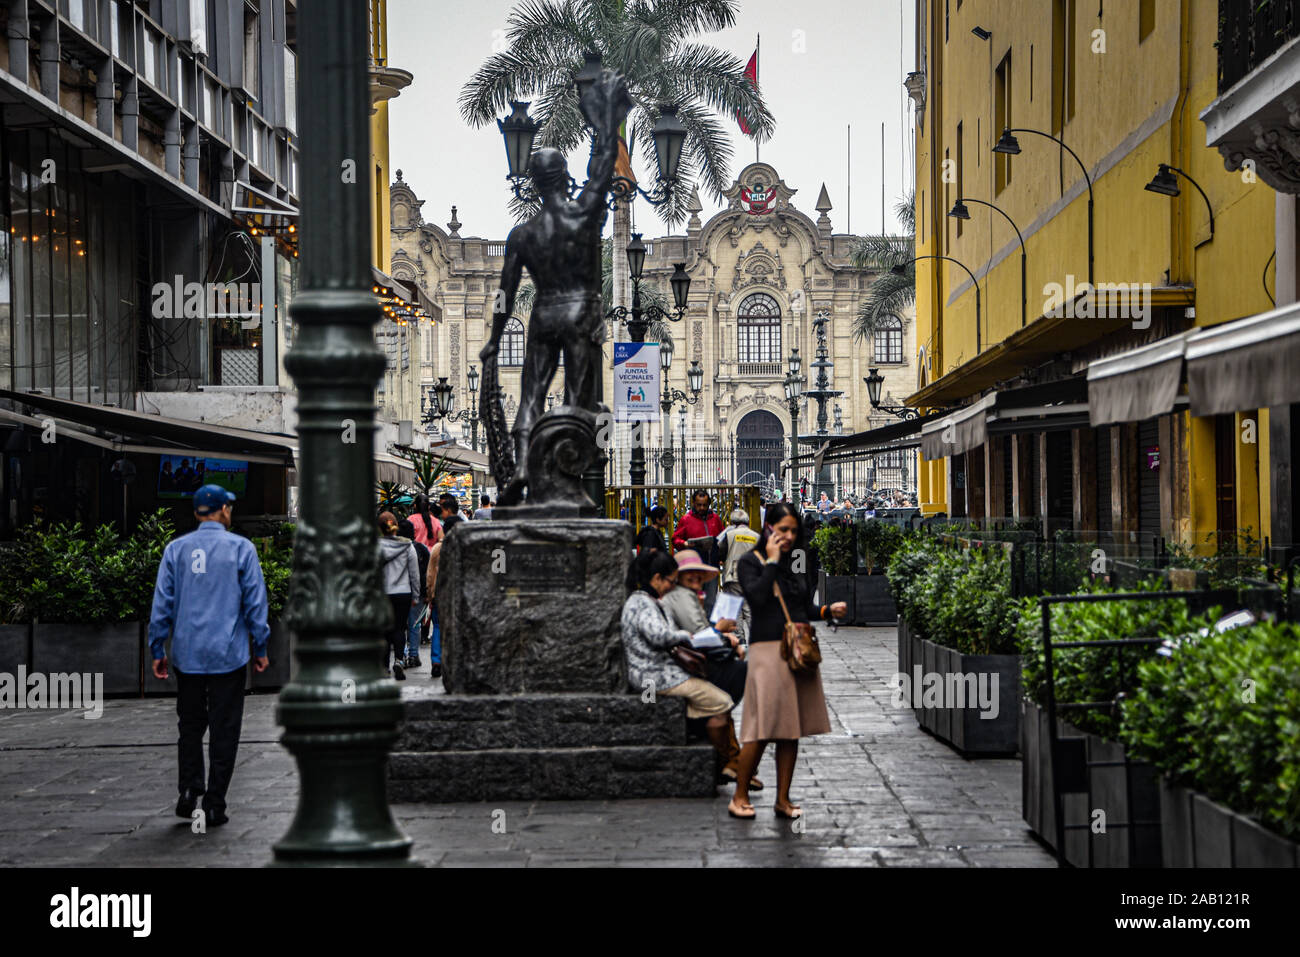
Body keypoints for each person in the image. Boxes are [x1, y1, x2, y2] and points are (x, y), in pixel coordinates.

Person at [148, 484, 269, 827]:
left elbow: (162, 604)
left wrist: (158, 646)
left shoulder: (176, 550)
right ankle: (215, 802)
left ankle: (189, 789)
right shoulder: (242, 549)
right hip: (227, 654)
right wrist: (260, 647)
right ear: (223, 510)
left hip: (187, 653)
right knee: (224, 729)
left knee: (189, 725)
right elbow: (255, 604)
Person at [728, 502, 846, 821]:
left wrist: (825, 612)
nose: (789, 536)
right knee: (761, 727)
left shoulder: (798, 561)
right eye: (783, 530)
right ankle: (739, 795)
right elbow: (758, 597)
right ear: (769, 528)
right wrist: (773, 562)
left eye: (794, 531)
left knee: (790, 729)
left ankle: (783, 798)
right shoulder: (751, 561)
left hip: (795, 650)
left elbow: (801, 607)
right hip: (767, 651)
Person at [621, 550, 736, 769]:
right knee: (722, 702)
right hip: (655, 677)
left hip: (658, 675)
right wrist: (686, 636)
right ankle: (726, 763)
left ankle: (727, 761)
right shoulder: (642, 604)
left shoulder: (648, 601)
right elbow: (659, 635)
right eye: (672, 581)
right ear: (656, 579)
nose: (673, 587)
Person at [659, 550, 760, 789]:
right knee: (738, 673)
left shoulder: (688, 595)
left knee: (734, 675)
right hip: (686, 664)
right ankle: (733, 761)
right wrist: (721, 630)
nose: (694, 577)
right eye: (688, 574)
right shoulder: (682, 597)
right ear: (679, 577)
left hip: (690, 658)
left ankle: (735, 762)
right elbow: (698, 635)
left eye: (697, 573)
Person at [378, 511, 419, 680]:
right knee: (399, 628)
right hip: (403, 592)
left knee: (385, 630)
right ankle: (399, 661)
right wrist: (416, 595)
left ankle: (384, 666)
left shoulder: (375, 546)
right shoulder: (408, 546)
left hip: (382, 593)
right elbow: (414, 573)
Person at [672, 489, 725, 606]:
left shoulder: (715, 519)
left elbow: (722, 538)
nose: (701, 508)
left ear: (709, 505)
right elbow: (675, 539)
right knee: (694, 602)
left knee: (710, 602)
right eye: (699, 505)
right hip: (694, 570)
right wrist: (684, 543)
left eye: (704, 505)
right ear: (693, 504)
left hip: (712, 566)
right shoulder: (686, 519)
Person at [397, 518, 431, 669]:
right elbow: (423, 573)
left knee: (399, 626)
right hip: (416, 592)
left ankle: (402, 655)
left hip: (397, 591)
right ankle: (413, 655)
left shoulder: (394, 548)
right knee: (414, 625)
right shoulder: (421, 549)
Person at [425, 531, 445, 679]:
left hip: (438, 594)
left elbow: (430, 574)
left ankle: (436, 661)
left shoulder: (437, 549)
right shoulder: (460, 545)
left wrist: (429, 593)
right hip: (455, 594)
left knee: (437, 627)